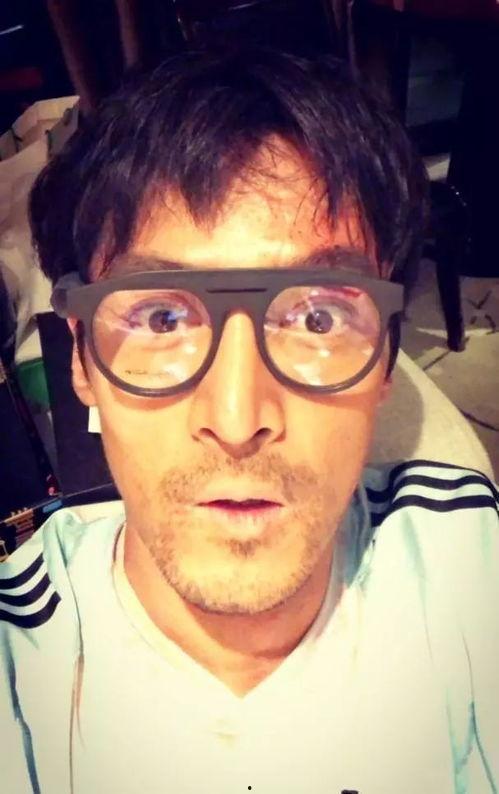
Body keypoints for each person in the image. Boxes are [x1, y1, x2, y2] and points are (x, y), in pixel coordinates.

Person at [1, 47, 498, 794]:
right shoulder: (21, 664)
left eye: (318, 316)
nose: (237, 422)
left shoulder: (468, 568)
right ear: (82, 362)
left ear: (386, 361)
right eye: (161, 318)